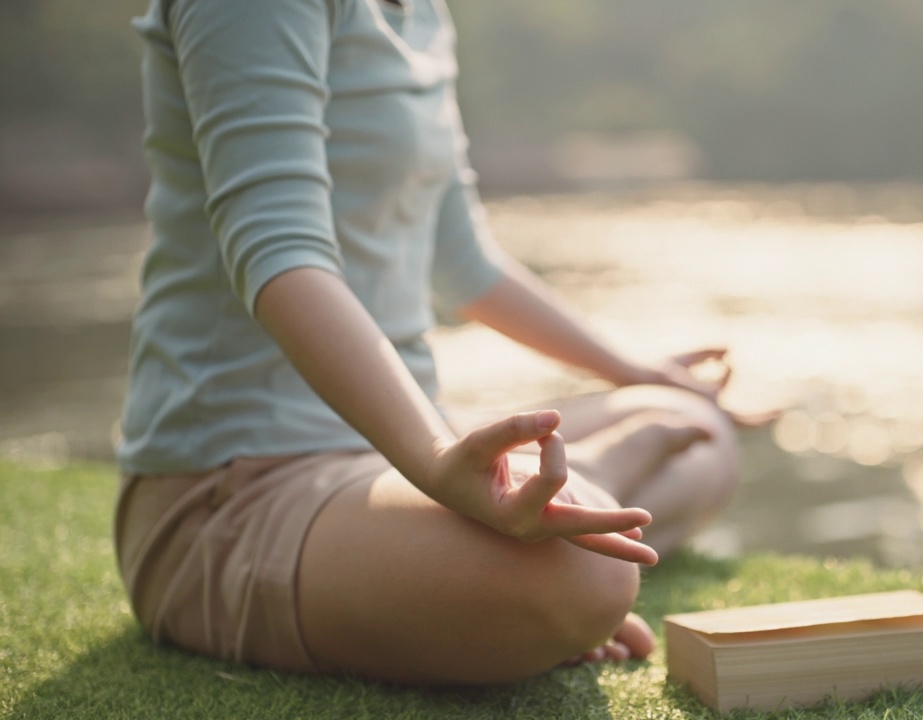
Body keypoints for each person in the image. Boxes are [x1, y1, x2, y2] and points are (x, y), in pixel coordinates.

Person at [114, 0, 759, 686]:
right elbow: (280, 251)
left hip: (387, 461)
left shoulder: (423, 11)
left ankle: (569, 503)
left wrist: (635, 370)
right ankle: (580, 504)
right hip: (236, 489)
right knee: (590, 577)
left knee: (697, 426)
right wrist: (435, 457)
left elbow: (466, 263)